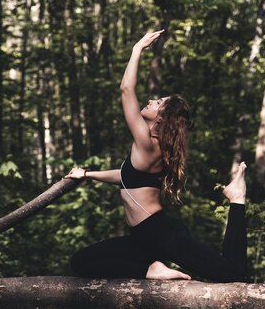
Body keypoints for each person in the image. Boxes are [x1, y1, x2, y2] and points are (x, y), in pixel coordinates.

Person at [65, 30, 248, 281]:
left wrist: (137, 48)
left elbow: (126, 90)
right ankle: (152, 267)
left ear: (162, 117)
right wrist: (87, 174)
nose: (151, 100)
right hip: (146, 237)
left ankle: (236, 200)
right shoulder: (153, 148)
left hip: (159, 234)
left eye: (158, 102)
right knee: (81, 262)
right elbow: (126, 177)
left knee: (233, 276)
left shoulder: (147, 142)